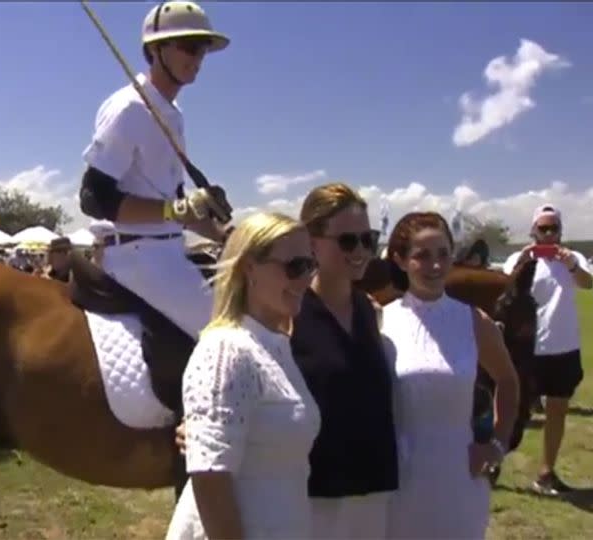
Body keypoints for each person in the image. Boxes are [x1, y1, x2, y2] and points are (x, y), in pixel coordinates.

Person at [78, 0, 232, 339]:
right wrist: (175, 209)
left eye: (203, 50)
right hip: (137, 258)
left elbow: (176, 208)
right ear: (156, 49)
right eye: (190, 48)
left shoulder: (172, 112)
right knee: (229, 338)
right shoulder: (129, 107)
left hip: (168, 252)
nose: (197, 59)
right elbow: (93, 197)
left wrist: (230, 237)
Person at [166, 212, 320, 539]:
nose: (305, 278)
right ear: (249, 267)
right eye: (294, 266)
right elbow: (211, 478)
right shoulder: (227, 350)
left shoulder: (276, 347)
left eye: (310, 265)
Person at [382, 211, 519, 539]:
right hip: (397, 480)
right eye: (422, 256)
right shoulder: (380, 320)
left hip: (459, 476)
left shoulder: (473, 322)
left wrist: (497, 445)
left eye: (443, 254)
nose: (435, 266)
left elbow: (509, 381)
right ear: (400, 260)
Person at [291, 183, 397, 538]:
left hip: (372, 489)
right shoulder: (287, 312)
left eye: (368, 239)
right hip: (311, 496)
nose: (361, 251)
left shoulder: (368, 309)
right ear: (311, 240)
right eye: (348, 241)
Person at [502, 204, 592, 496]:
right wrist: (523, 263)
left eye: (554, 228)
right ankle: (492, 464)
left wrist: (572, 266)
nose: (550, 234)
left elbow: (587, 284)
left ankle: (546, 472)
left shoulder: (574, 258)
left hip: (564, 345)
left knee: (557, 411)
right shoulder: (520, 258)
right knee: (512, 410)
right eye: (543, 228)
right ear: (533, 231)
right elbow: (506, 290)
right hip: (528, 345)